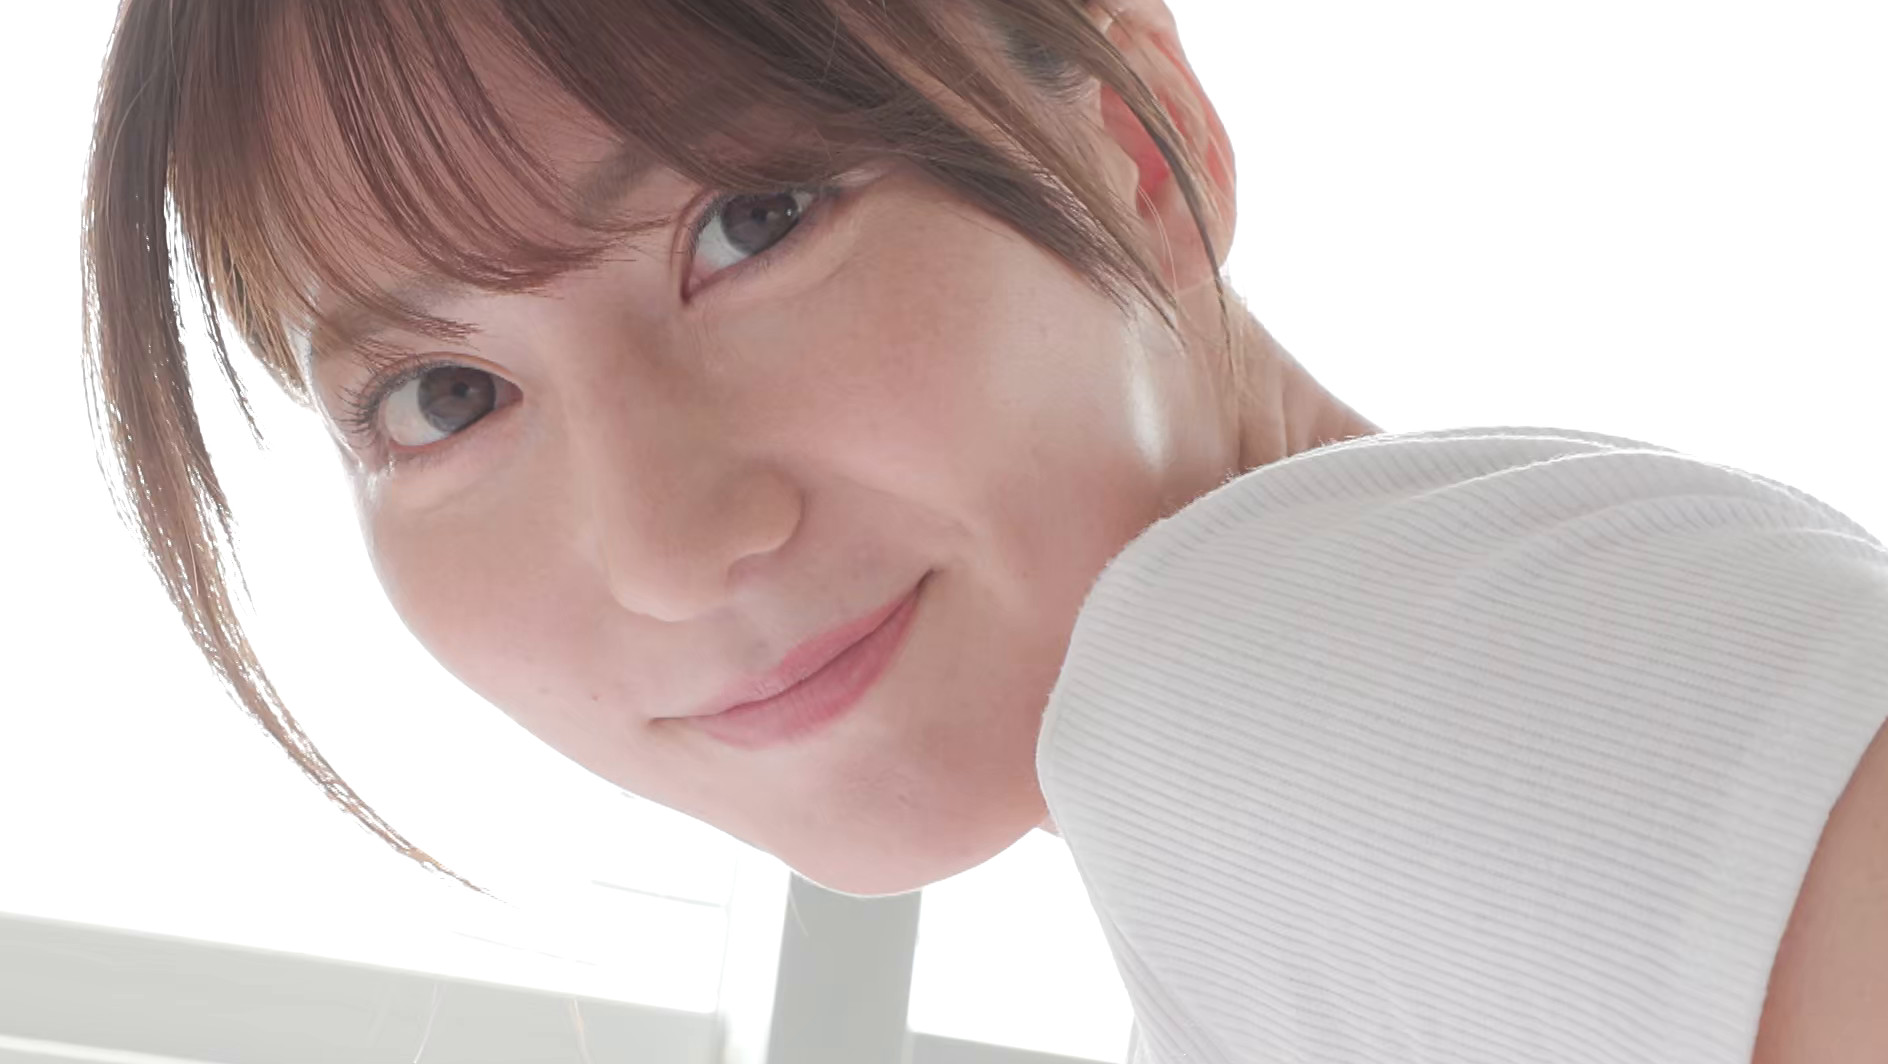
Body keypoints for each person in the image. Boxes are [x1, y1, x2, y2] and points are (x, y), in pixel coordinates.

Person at [79, 0, 1886, 1060]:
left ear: (1142, 149)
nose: (667, 549)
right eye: (443, 396)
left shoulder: (1262, 677)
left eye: (754, 220)